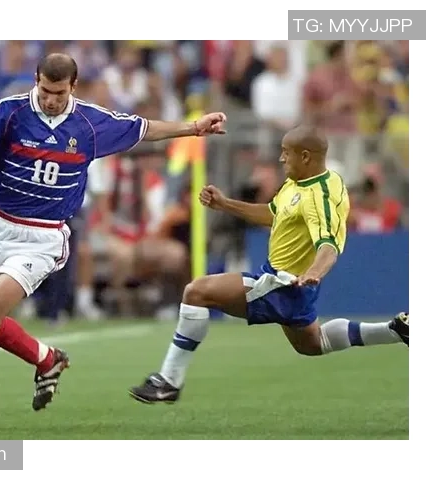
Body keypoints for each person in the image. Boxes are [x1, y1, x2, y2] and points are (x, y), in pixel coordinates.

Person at [0, 53, 227, 427]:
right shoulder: (10, 112)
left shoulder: (90, 123)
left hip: (43, 237)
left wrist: (194, 127)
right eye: (45, 90)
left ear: (73, 87)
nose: (50, 99)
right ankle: (47, 359)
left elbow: (143, 128)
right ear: (37, 80)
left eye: (59, 93)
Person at [129, 124, 408, 404]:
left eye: (286, 152)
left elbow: (329, 246)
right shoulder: (300, 182)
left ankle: (169, 381)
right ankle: (394, 330)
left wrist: (314, 272)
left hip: (284, 283)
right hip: (292, 284)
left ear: (306, 156)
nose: (281, 158)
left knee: (196, 292)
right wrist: (225, 204)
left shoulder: (319, 196)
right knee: (313, 343)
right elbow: (274, 214)